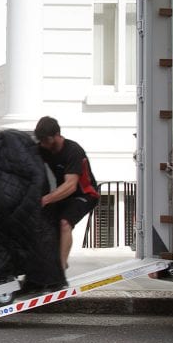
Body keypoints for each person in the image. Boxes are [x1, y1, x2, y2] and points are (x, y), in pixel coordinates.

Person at [34, 116, 100, 272]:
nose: (43, 144)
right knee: (44, 222)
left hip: (85, 195)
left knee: (65, 223)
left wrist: (45, 199)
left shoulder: (73, 150)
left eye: (46, 140)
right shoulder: (45, 148)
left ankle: (61, 267)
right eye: (41, 140)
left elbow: (70, 186)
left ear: (57, 135)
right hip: (64, 195)